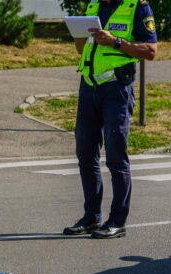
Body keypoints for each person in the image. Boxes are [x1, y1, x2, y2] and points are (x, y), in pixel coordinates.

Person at [63, 0, 157, 239]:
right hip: (89, 86)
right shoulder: (93, 5)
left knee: (116, 156)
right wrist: (79, 36)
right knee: (85, 152)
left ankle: (117, 220)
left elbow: (151, 51)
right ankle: (92, 217)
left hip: (117, 89)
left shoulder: (137, 6)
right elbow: (80, 48)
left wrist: (115, 41)